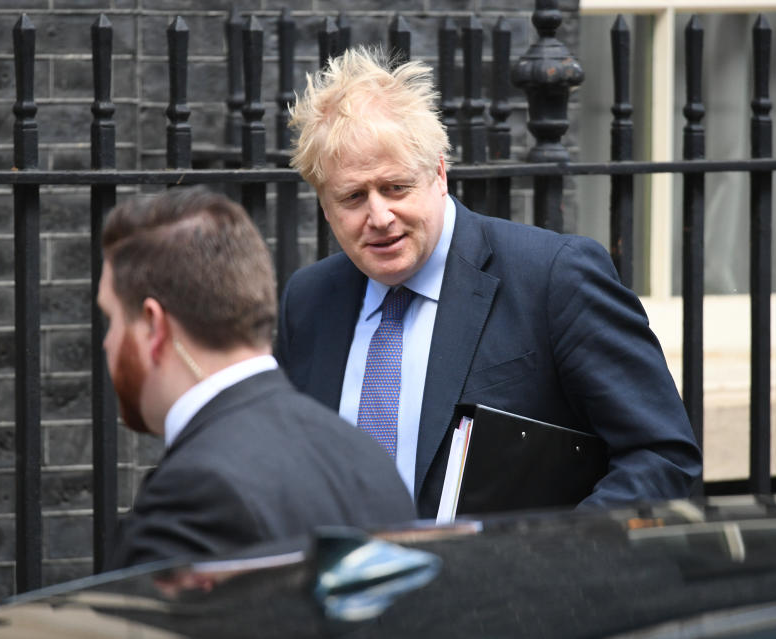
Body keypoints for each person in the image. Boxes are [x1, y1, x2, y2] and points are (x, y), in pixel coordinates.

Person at [276, 46, 703, 519]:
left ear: (439, 173)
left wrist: (552, 560)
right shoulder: (308, 301)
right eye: (353, 197)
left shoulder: (553, 277)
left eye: (396, 187)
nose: (379, 216)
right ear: (324, 204)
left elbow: (664, 458)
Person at [98, 187, 415, 569]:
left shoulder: (194, 492)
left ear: (153, 325)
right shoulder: (365, 456)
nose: (108, 343)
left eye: (112, 319)